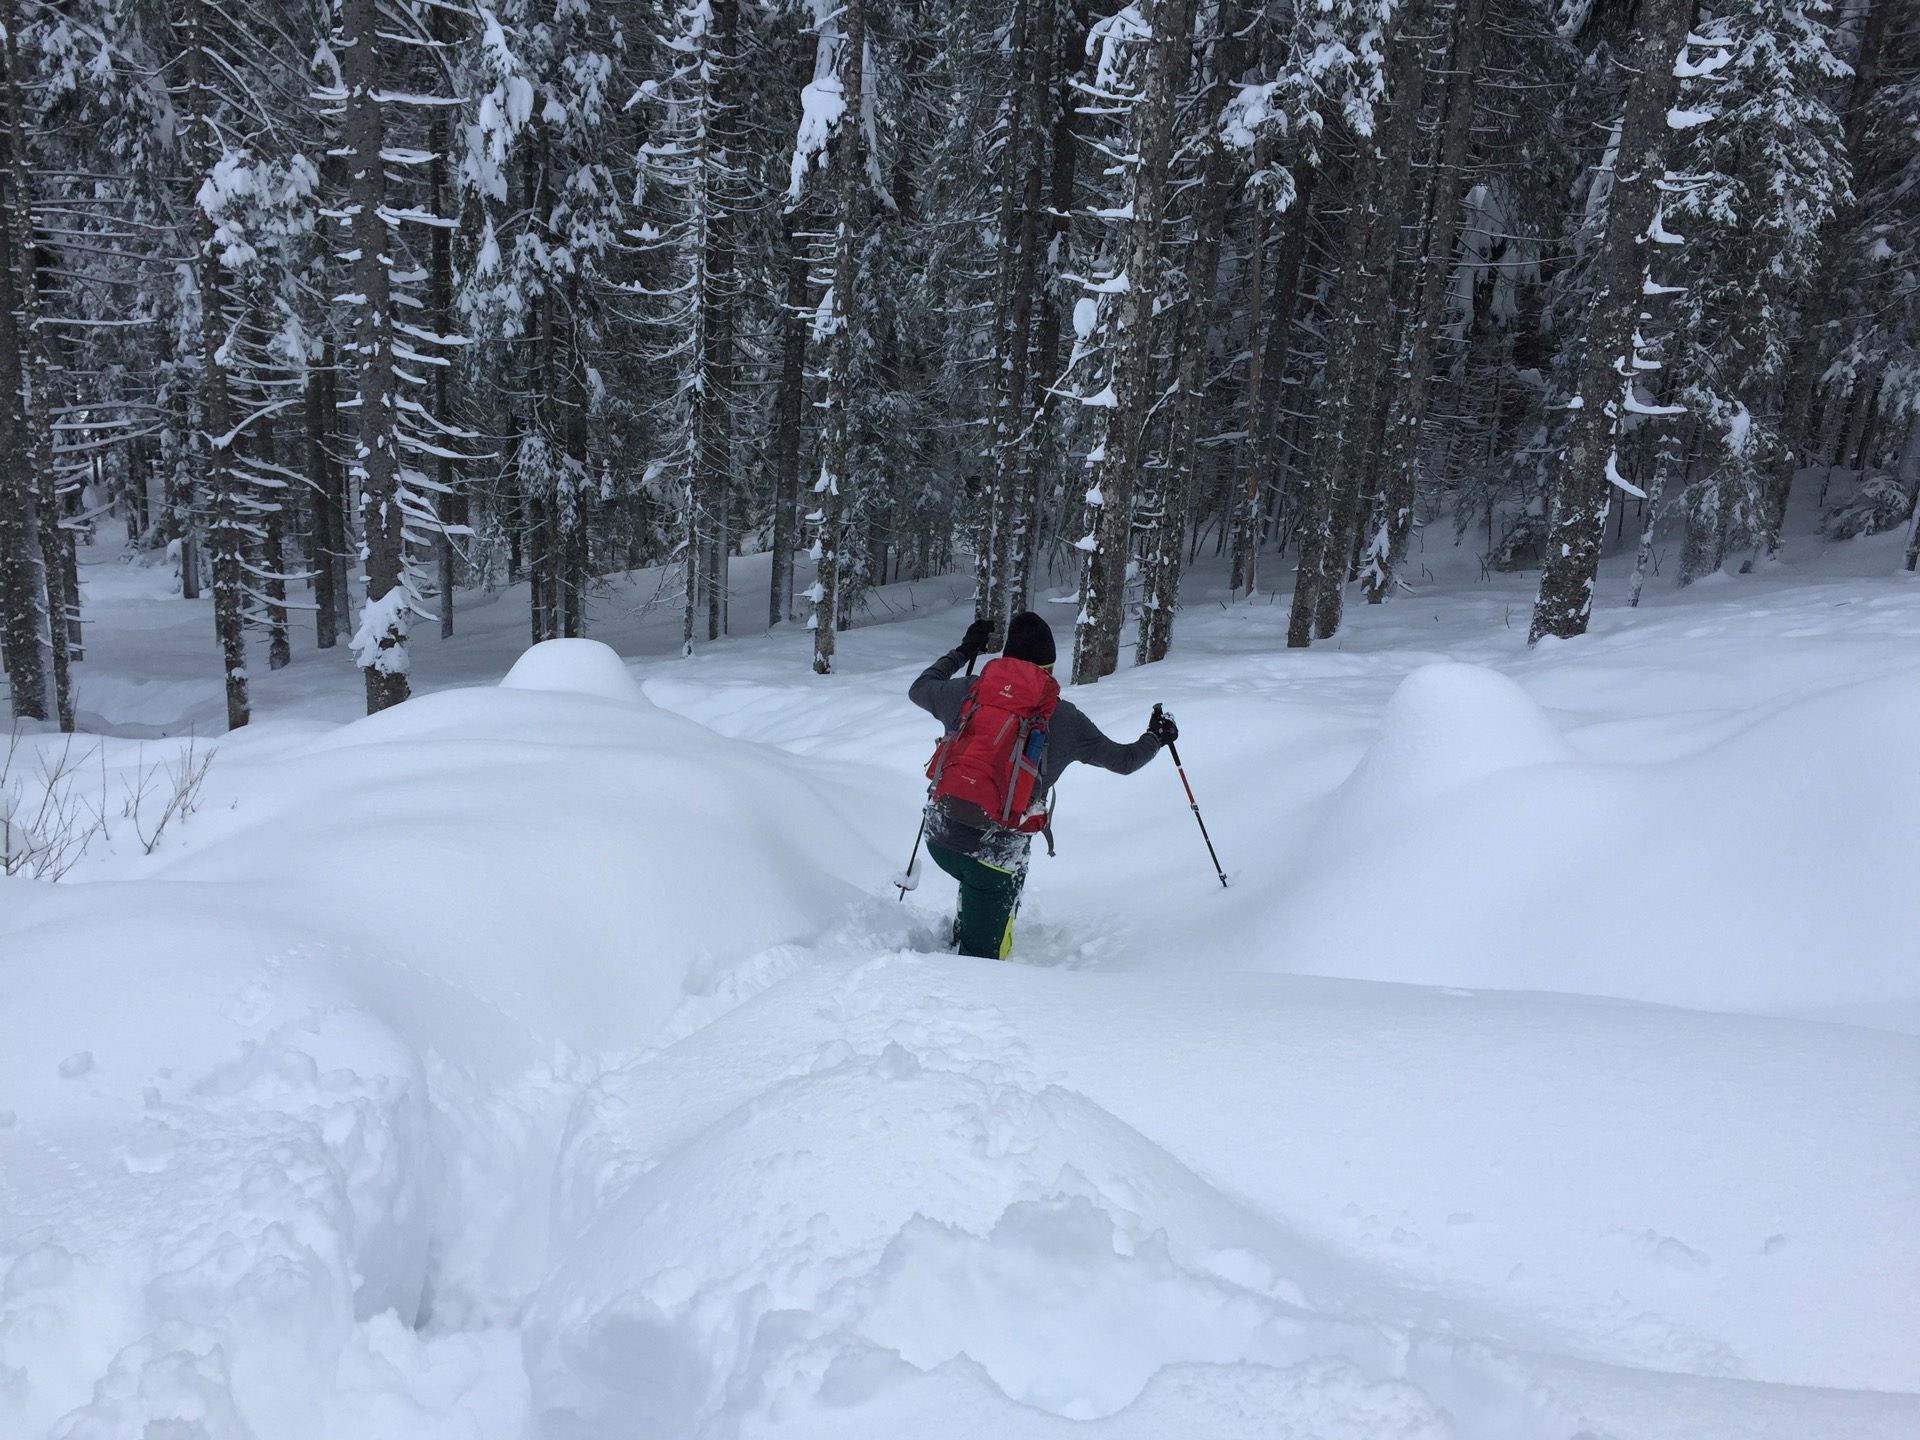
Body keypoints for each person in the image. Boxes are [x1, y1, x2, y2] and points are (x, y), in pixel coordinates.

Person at [908, 610, 1178, 959]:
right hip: (995, 857)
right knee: (981, 963)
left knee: (978, 878)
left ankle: (970, 923)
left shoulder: (968, 691)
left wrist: (963, 651)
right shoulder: (1064, 718)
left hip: (940, 837)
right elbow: (1125, 762)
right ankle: (973, 956)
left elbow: (919, 689)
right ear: (1048, 669)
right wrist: (1156, 737)